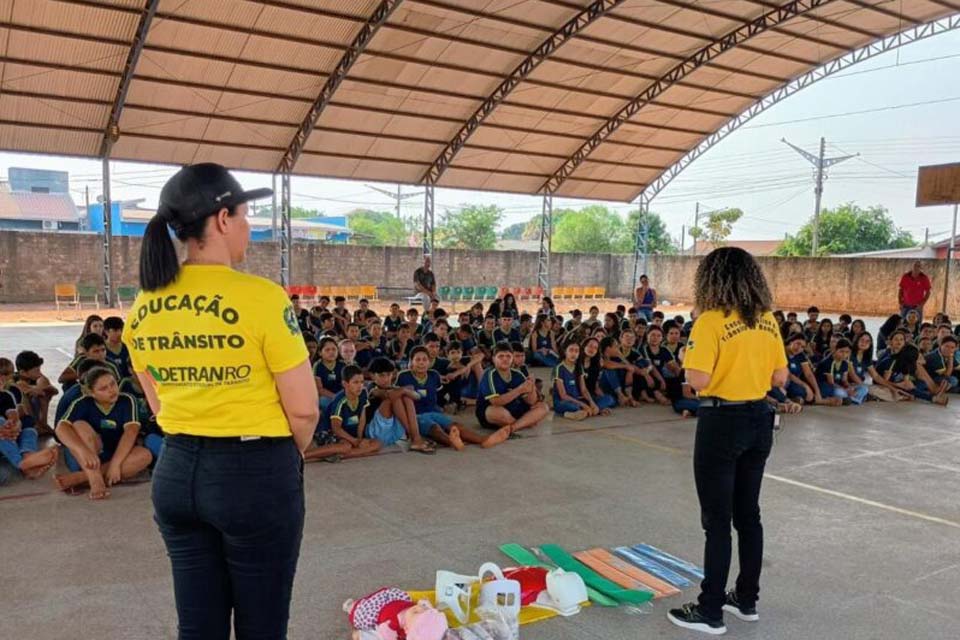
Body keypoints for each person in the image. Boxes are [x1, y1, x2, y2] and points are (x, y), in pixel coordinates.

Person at [124, 163, 318, 639]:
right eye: (246, 215)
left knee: (199, 626)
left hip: (177, 472)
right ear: (224, 219)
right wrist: (284, 456)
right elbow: (305, 409)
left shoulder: (144, 303)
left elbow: (155, 397)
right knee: (262, 626)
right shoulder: (261, 297)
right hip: (254, 473)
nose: (249, 227)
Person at [667, 247, 788, 635]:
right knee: (748, 515)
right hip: (759, 418)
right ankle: (746, 599)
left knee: (717, 522)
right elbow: (780, 378)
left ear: (711, 279)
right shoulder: (767, 320)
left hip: (722, 420)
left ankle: (710, 610)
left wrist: (692, 352)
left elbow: (697, 379)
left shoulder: (710, 321)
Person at [53, 367, 152, 498]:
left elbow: (131, 432)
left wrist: (115, 464)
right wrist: (83, 450)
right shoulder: (82, 402)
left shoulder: (127, 400)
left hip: (118, 455)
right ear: (91, 393)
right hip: (87, 458)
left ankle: (80, 479)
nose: (111, 390)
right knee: (79, 425)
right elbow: (61, 428)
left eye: (113, 384)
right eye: (103, 389)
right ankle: (95, 480)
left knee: (144, 455)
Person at [476, 342, 548, 443]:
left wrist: (531, 387)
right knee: (497, 412)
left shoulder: (517, 374)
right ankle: (525, 422)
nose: (505, 359)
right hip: (493, 410)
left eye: (508, 356)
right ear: (493, 359)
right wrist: (519, 390)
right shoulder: (489, 374)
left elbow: (531, 402)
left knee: (543, 407)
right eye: (501, 356)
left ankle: (511, 428)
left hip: (514, 409)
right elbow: (495, 402)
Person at [309, 365, 381, 461]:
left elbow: (362, 419)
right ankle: (305, 456)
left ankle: (337, 455)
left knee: (377, 443)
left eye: (362, 382)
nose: (360, 386)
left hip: (350, 435)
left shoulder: (363, 394)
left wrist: (359, 439)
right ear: (345, 384)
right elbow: (336, 428)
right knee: (345, 447)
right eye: (355, 382)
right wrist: (355, 442)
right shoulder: (339, 400)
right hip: (330, 433)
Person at [551, 341, 605, 420]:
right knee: (571, 406)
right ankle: (571, 413)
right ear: (565, 351)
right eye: (571, 350)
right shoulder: (559, 368)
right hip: (564, 401)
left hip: (577, 399)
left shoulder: (579, 367)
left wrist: (592, 404)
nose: (574, 354)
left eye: (576, 351)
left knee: (607, 400)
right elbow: (563, 395)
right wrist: (584, 405)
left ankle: (584, 412)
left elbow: (584, 390)